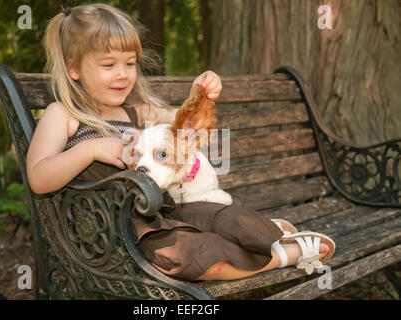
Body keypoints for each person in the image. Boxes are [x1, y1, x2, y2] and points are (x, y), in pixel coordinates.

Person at [26, 3, 334, 282]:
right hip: (120, 235)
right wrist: (90, 149)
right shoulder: (64, 115)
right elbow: (38, 178)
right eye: (108, 65)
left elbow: (185, 121)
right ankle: (287, 254)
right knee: (199, 257)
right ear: (74, 68)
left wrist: (201, 94)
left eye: (130, 64)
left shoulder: (139, 112)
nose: (122, 75)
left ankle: (272, 231)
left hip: (168, 213)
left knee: (226, 217)